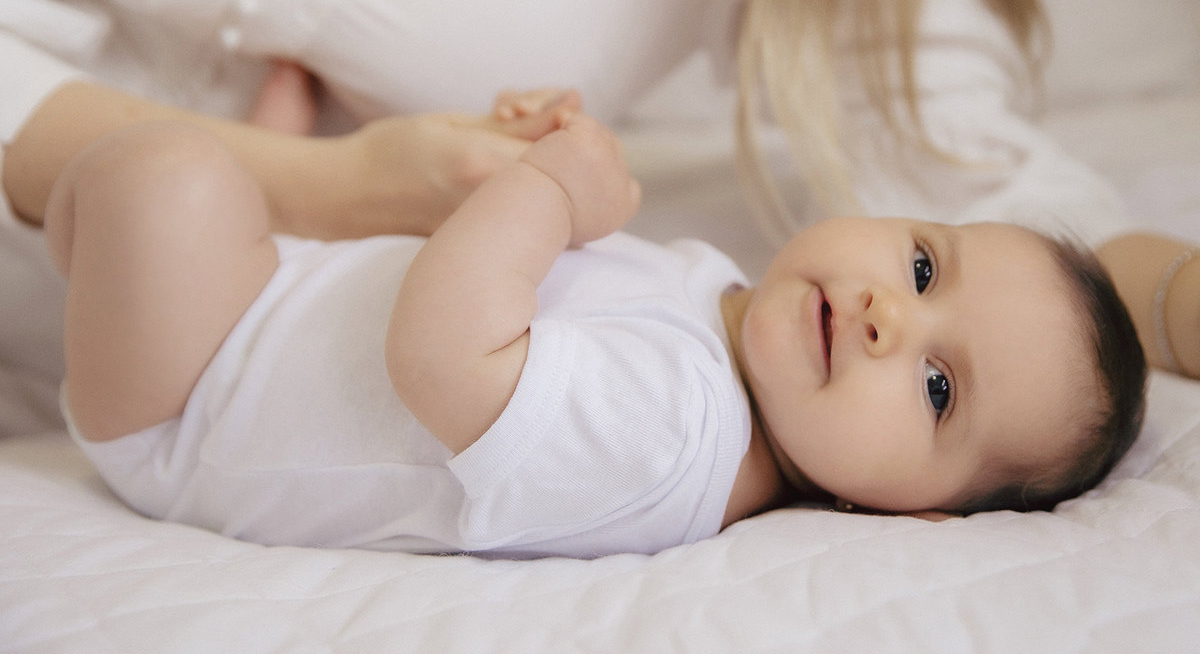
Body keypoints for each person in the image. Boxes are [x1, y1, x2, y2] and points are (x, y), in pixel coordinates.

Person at [0, 0, 1195, 434]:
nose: (894, 314)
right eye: (917, 289)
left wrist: (1180, 297)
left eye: (936, 385)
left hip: (233, 388)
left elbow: (973, 192)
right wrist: (334, 184)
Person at [42, 95, 1146, 558]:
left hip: (191, 400)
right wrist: (525, 156)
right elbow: (534, 281)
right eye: (921, 264)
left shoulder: (679, 435)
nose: (882, 316)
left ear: (918, 514)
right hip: (278, 293)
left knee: (161, 173)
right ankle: (233, 187)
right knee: (202, 179)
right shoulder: (723, 308)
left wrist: (552, 194)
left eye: (938, 386)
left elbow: (440, 356)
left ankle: (113, 237)